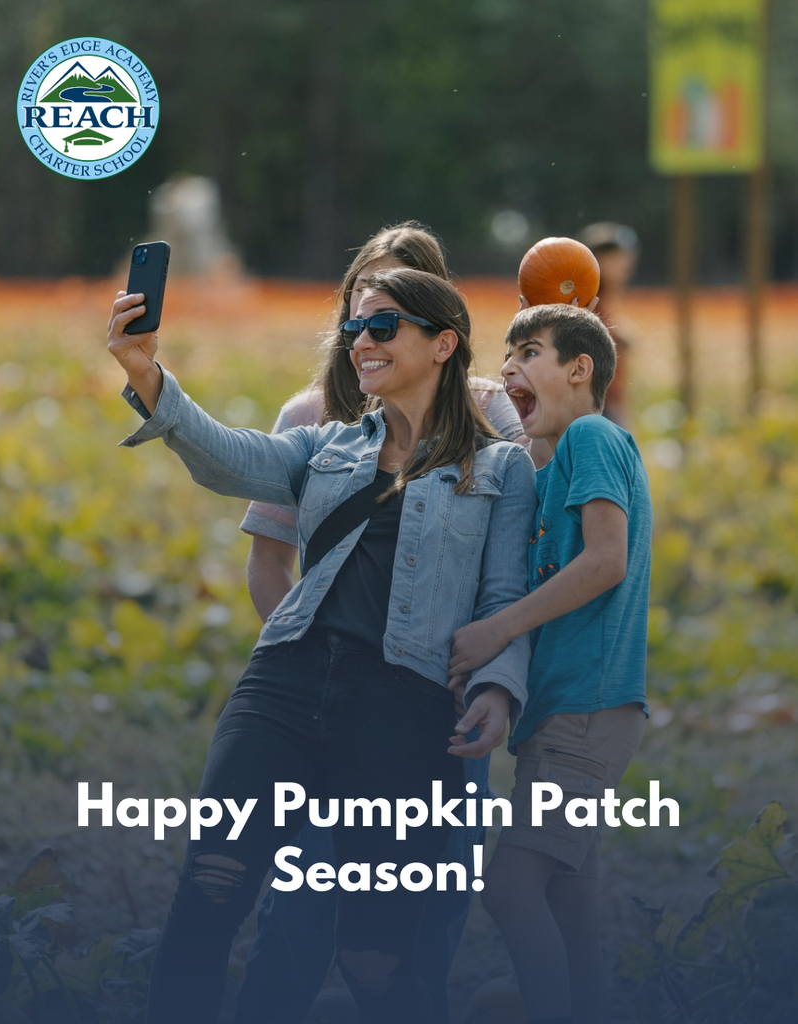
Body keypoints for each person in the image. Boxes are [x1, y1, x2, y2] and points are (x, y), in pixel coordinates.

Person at [107, 267, 537, 1024]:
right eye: (352, 329)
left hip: (405, 709)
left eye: (382, 327)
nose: (360, 343)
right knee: (209, 884)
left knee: (375, 956)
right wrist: (147, 374)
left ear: (444, 343)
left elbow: (504, 598)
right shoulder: (326, 445)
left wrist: (497, 689)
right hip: (284, 685)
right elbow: (228, 456)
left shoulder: (499, 465)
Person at [238, 222, 527, 1024]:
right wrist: (310, 671)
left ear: (442, 329)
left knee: (429, 906)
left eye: (397, 305)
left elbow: (523, 534)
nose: (372, 324)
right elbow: (268, 563)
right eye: (361, 305)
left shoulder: (486, 413)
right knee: (302, 898)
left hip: (436, 706)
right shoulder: (308, 414)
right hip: (322, 707)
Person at [449, 304, 651, 1024]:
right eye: (505, 358)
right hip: (570, 709)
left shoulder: (593, 435)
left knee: (508, 887)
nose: (509, 368)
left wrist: (496, 629)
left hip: (588, 707)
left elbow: (604, 560)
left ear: (579, 369)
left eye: (528, 352)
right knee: (566, 893)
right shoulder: (558, 455)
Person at [577, 222, 641, 429]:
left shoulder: (609, 293)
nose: (625, 266)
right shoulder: (590, 295)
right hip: (594, 397)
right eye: (618, 259)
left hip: (607, 394)